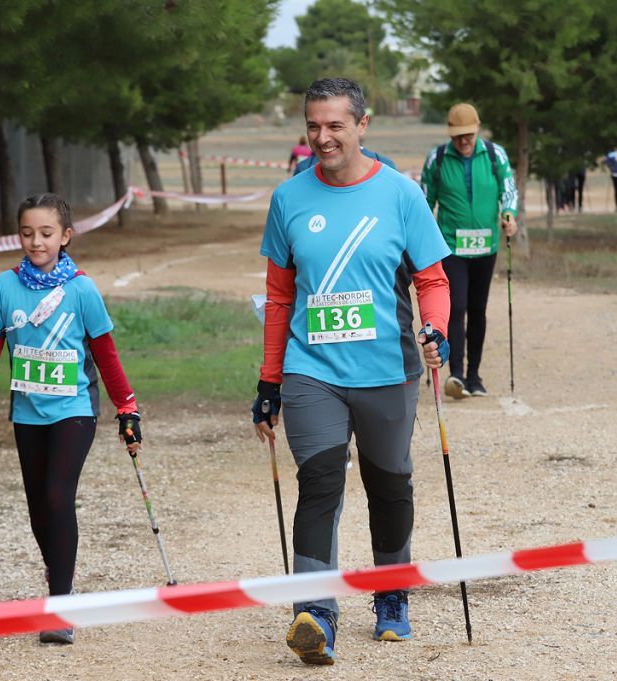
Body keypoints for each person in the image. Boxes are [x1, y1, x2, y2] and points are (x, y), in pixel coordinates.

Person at [252, 77, 451, 666]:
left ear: (362, 126)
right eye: (314, 125)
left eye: (335, 125)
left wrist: (436, 329)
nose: (323, 136)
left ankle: (391, 597)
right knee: (320, 483)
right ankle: (315, 613)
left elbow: (432, 281)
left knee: (390, 483)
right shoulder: (289, 199)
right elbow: (280, 296)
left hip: (388, 369)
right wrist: (269, 379)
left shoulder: (401, 194)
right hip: (311, 369)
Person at [0, 193, 142, 645]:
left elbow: (106, 357)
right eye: (27, 233)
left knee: (56, 493)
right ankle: (59, 568)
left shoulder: (82, 290)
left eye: (46, 233)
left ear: (66, 236)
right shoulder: (3, 288)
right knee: (37, 508)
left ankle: (59, 604)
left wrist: (127, 408)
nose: (36, 241)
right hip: (27, 412)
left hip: (74, 410)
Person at [419, 102, 517, 399]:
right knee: (456, 307)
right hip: (451, 247)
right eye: (458, 136)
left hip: (486, 245)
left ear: (477, 130)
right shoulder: (436, 158)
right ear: (450, 134)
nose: (463, 141)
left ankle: (475, 374)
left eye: (469, 135)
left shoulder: (494, 154)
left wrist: (509, 214)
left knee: (477, 309)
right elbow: (424, 202)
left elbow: (508, 189)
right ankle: (457, 374)